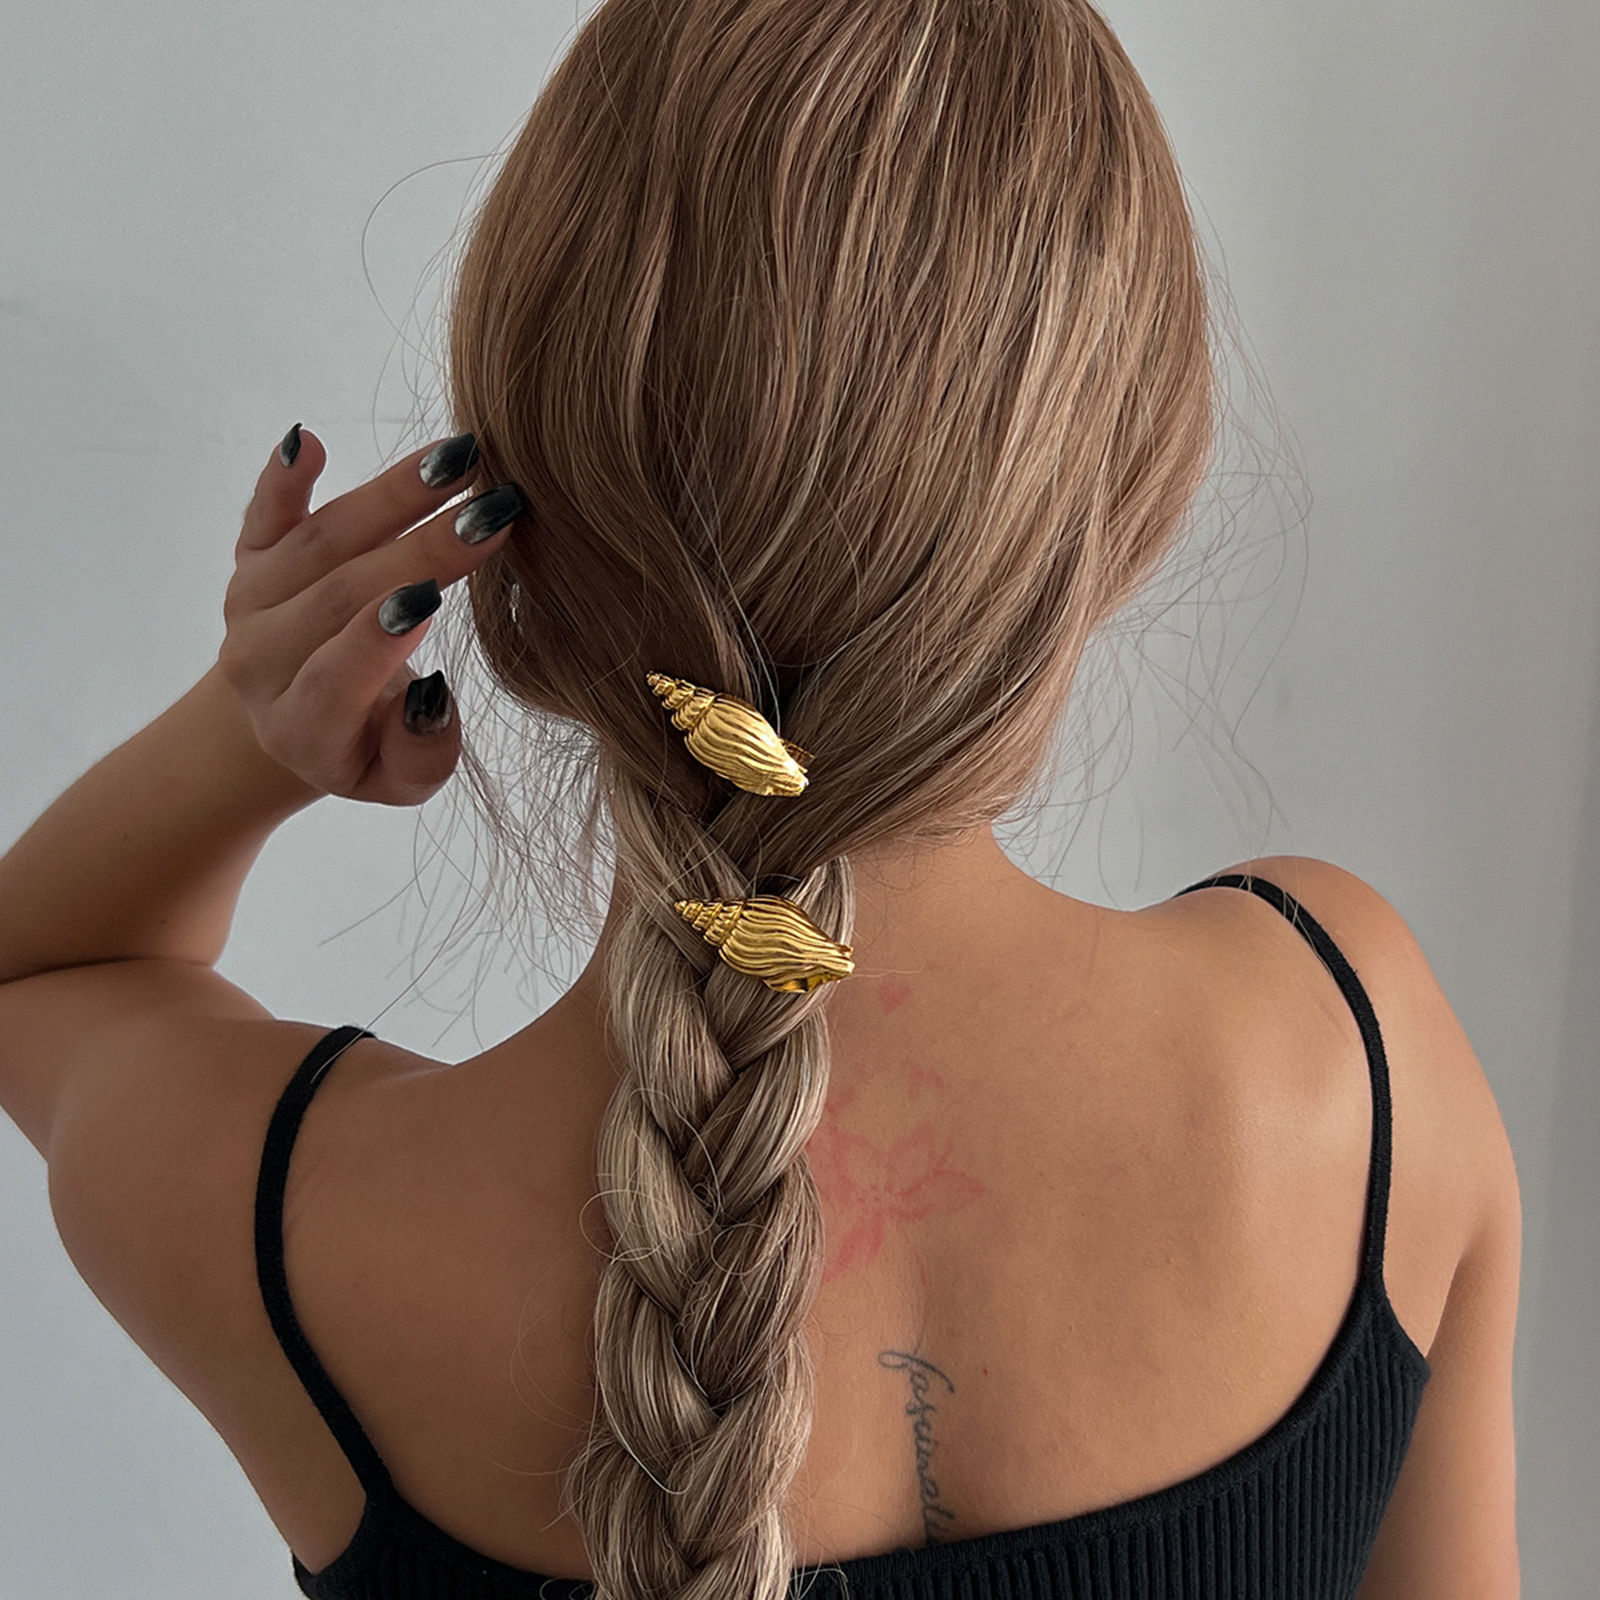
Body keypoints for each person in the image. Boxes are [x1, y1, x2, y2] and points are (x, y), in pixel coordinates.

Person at [0, 0, 1520, 1596]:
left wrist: (253, 731)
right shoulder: (1351, 1061)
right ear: (1128, 491)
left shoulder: (297, 1228)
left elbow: (43, 974)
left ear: (522, 540)